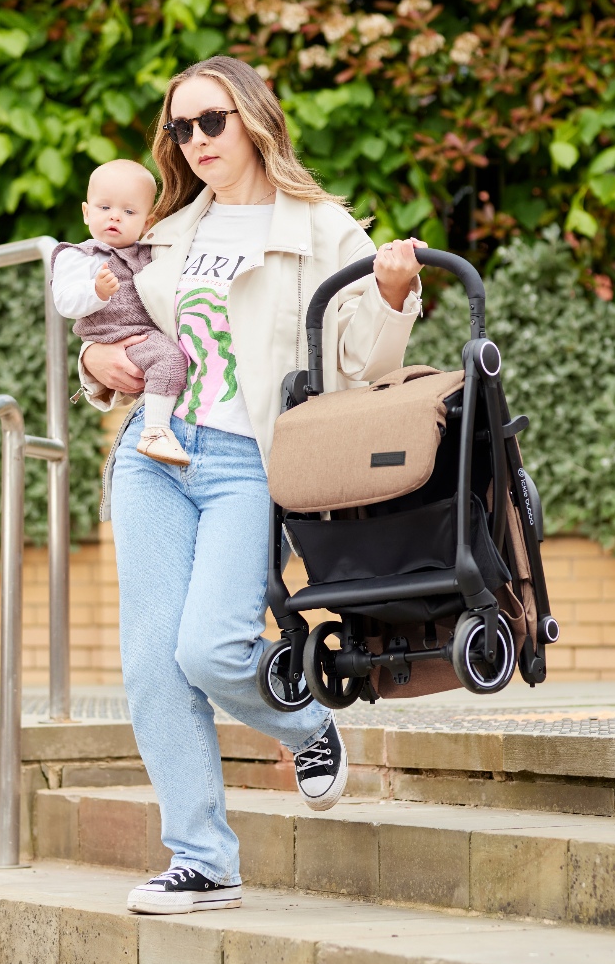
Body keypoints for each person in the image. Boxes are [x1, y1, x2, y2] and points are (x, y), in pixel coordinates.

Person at [78, 55, 425, 915]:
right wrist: (94, 363)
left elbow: (361, 362)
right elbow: (108, 317)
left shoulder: (324, 230)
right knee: (152, 664)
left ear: (255, 119)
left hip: (248, 460)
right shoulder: (167, 232)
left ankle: (306, 722)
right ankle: (202, 861)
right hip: (156, 454)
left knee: (209, 649)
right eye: (180, 127)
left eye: (212, 121)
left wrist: (394, 293)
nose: (195, 139)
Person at [51, 158, 190, 466]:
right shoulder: (77, 256)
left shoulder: (150, 254)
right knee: (169, 359)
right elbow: (65, 302)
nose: (115, 216)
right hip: (114, 336)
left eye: (129, 212)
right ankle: (155, 431)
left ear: (147, 223)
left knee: (168, 361)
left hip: (145, 334)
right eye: (104, 207)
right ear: (86, 212)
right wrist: (96, 292)